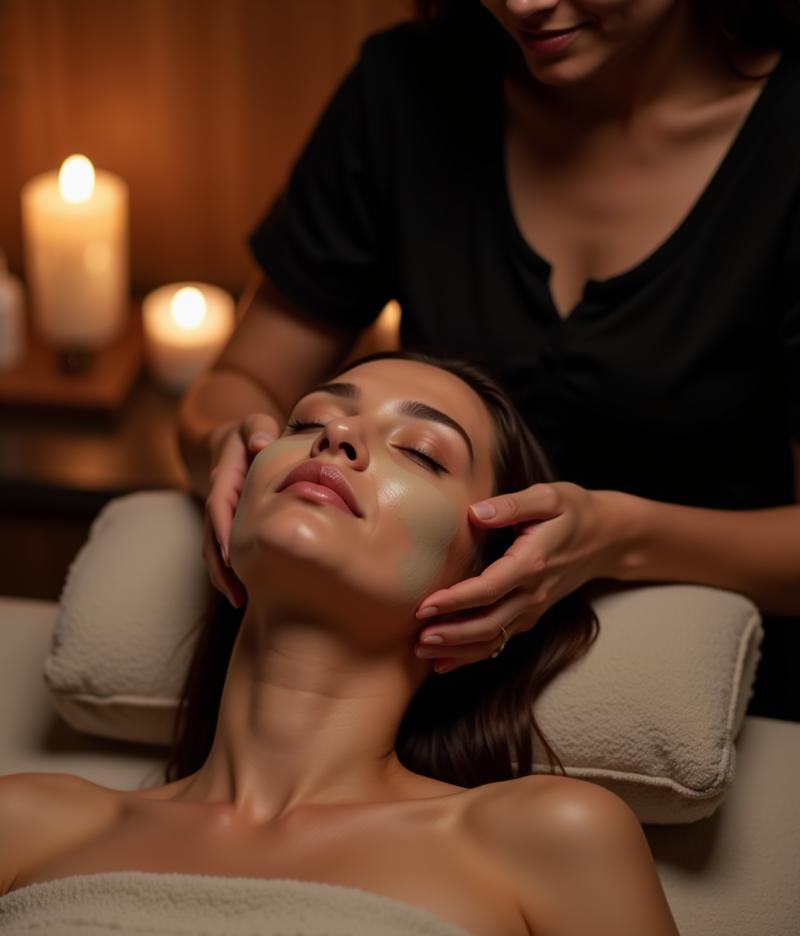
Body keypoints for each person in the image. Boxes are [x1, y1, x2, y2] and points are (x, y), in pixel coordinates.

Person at [0, 352, 702, 936]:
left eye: (420, 451)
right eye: (308, 423)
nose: (337, 441)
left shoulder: (551, 842)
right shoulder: (10, 827)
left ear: (497, 577)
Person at [178, 0, 800, 720]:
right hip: (429, 697)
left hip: (723, 696)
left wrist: (618, 538)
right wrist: (226, 447)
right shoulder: (408, 89)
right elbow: (238, 385)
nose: (523, 3)